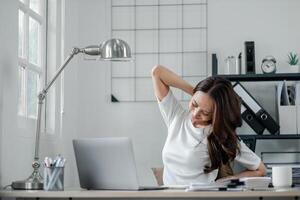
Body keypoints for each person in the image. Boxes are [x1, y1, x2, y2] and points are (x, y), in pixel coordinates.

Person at [151, 65, 266, 185]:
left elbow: (260, 170)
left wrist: (227, 181)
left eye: (205, 112)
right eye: (194, 104)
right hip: (168, 196)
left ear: (217, 115)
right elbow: (157, 72)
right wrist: (197, 92)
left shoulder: (219, 135)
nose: (195, 114)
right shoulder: (176, 116)